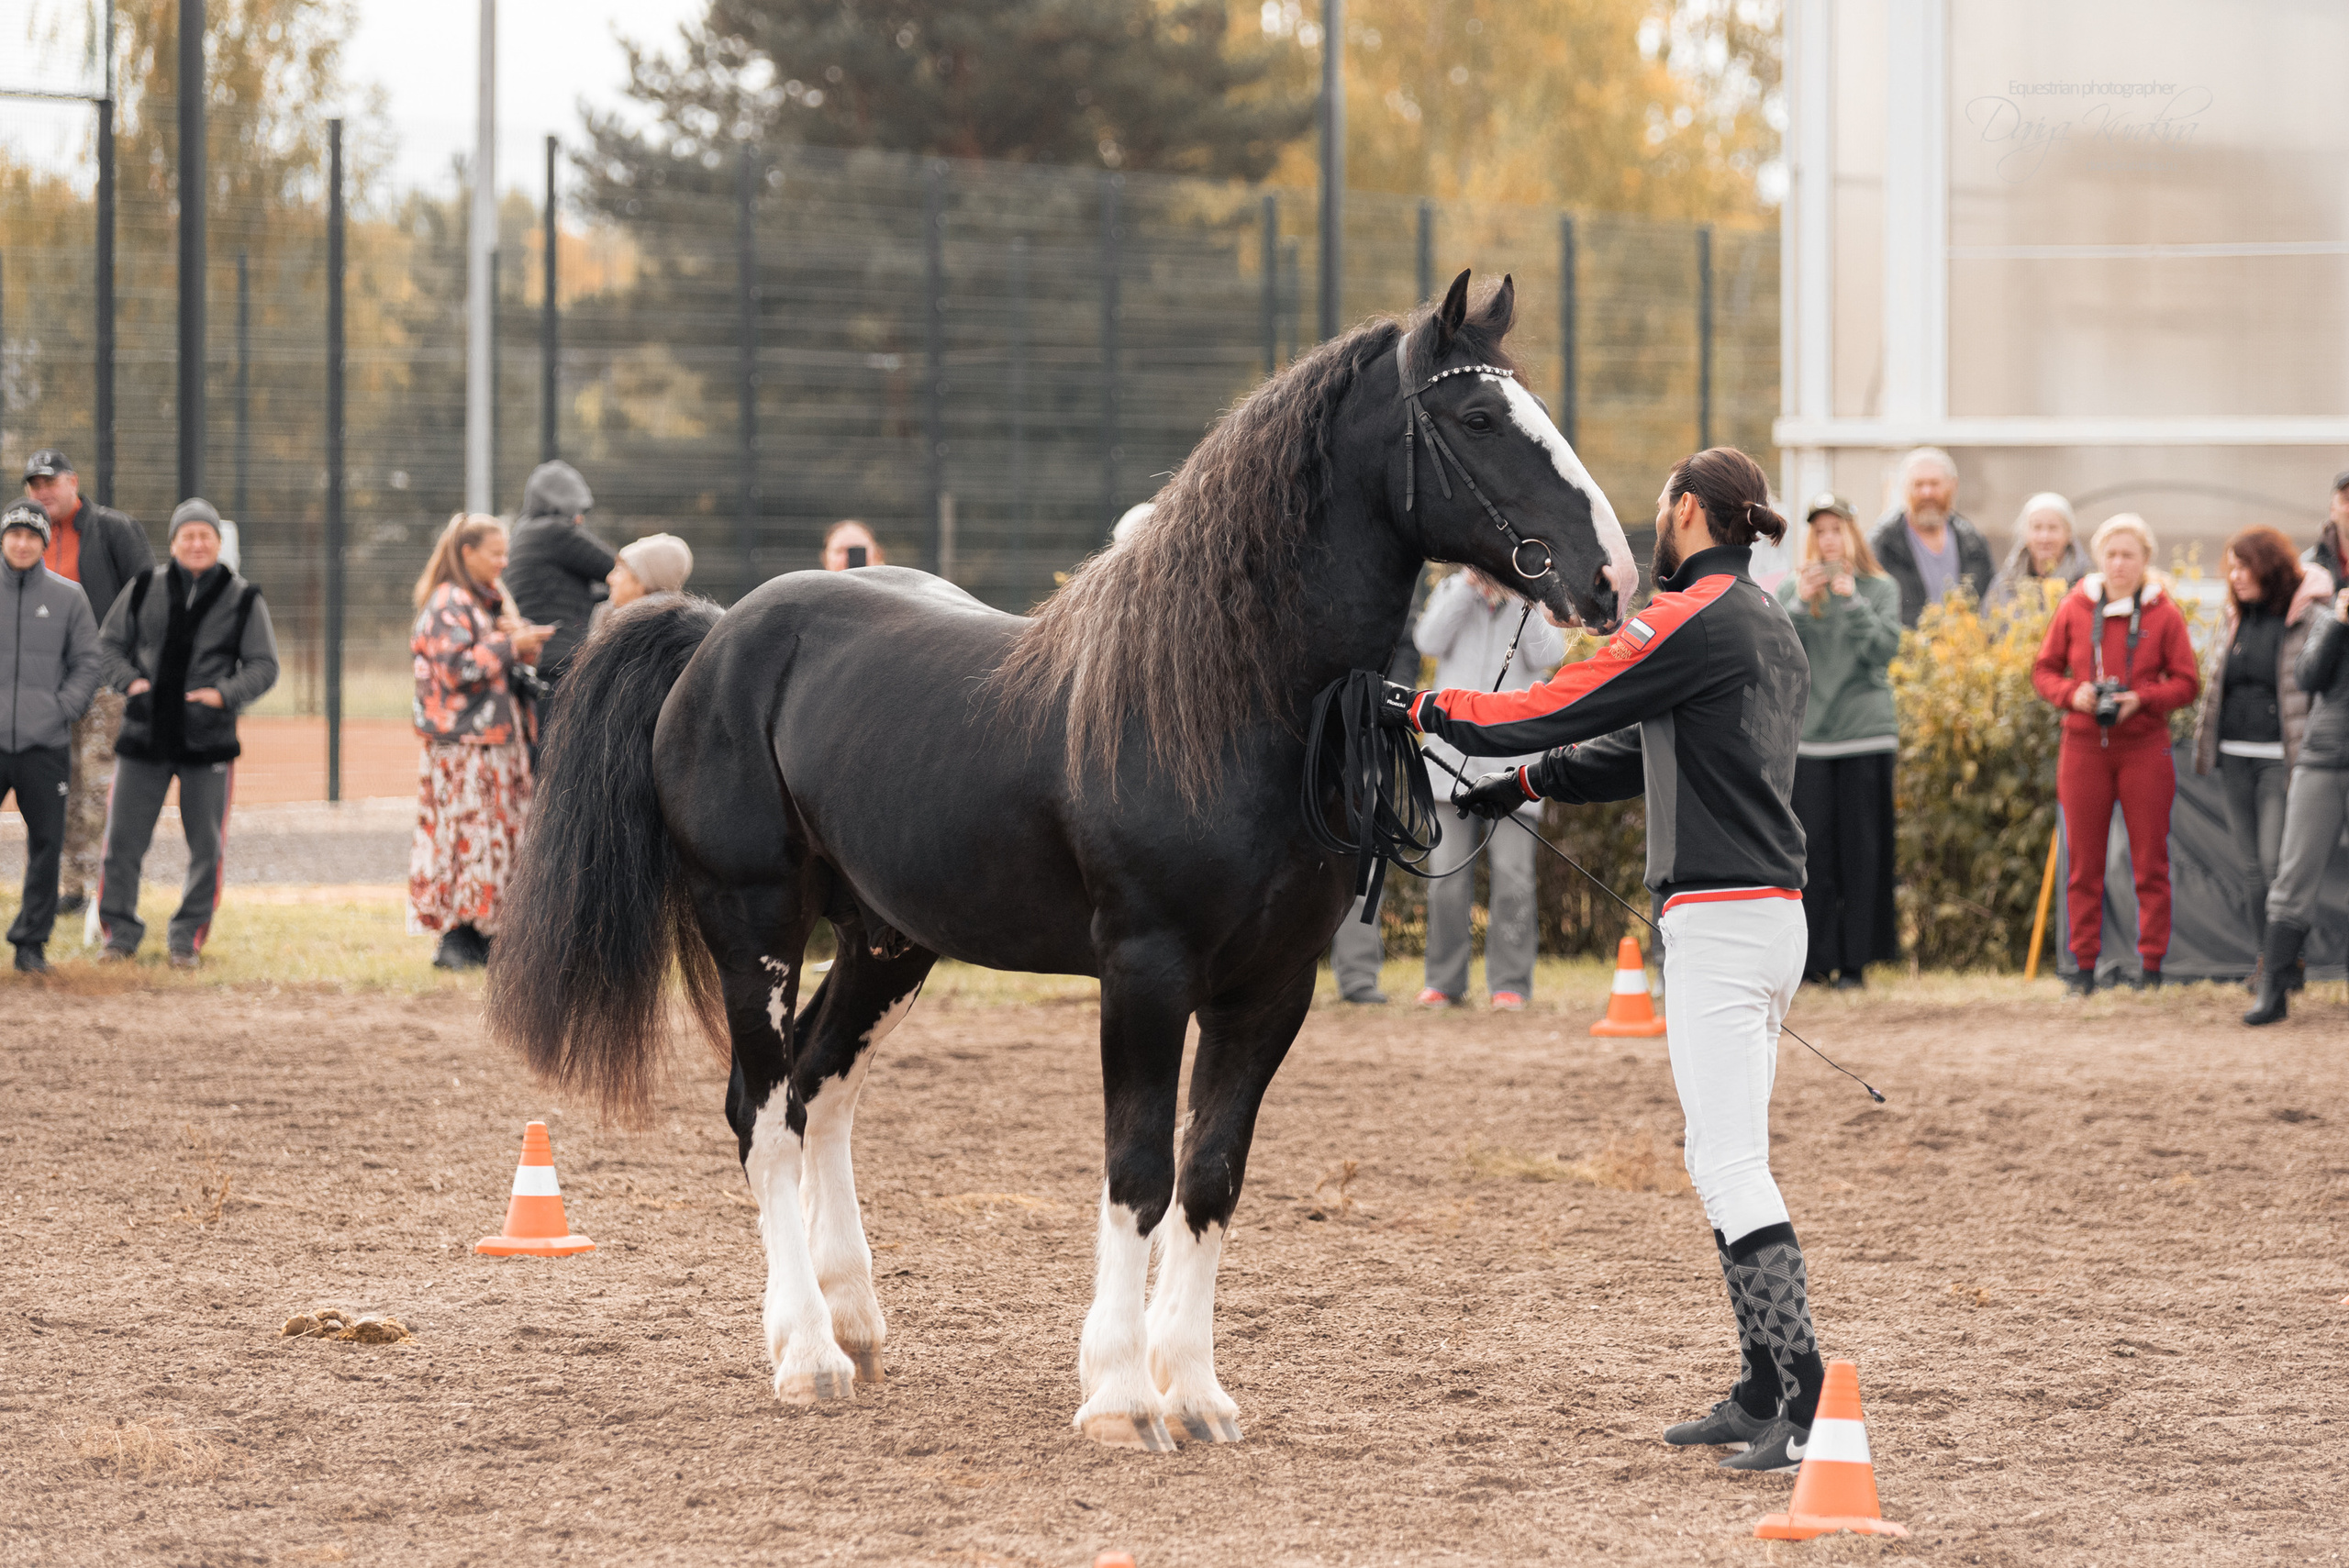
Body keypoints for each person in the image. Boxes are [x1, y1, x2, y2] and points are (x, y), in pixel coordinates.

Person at [1399, 448, 1826, 1474]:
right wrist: (1527, 784)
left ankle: (1806, 1401)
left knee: (1729, 1160)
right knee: (1717, 1155)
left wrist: (1423, 710)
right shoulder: (1765, 623)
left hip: (1722, 920)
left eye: (1658, 506)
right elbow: (1642, 750)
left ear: (1686, 510)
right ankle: (1762, 1386)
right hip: (1768, 916)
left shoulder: (1691, 615)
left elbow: (1567, 697)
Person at [94, 499, 280, 968]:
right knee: (121, 842)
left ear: (218, 543)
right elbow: (107, 645)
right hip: (143, 737)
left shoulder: (244, 598)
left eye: (206, 536)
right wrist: (131, 683)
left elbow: (264, 666)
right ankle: (118, 933)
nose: (197, 544)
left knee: (206, 847)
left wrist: (223, 694)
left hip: (208, 742)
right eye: (187, 536)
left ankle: (186, 938)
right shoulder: (141, 588)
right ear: (173, 542)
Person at [2029, 514, 2199, 995]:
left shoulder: (2164, 612)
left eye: (2129, 555)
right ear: (2099, 557)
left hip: (2145, 746)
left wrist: (2141, 699)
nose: (2119, 563)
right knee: (2084, 863)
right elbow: (2043, 671)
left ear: (2145, 560)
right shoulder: (2075, 606)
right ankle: (2083, 968)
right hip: (2083, 746)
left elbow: (2187, 682)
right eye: (2112, 554)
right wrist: (2072, 694)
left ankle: (2151, 967)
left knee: (2150, 863)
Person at [1410, 566, 1564, 1009]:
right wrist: (1468, 585)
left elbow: (1548, 654)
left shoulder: (1531, 600)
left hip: (1514, 767)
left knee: (1514, 879)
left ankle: (1510, 985)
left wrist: (1527, 595)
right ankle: (1443, 981)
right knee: (1446, 878)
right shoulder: (1452, 589)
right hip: (1448, 762)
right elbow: (1428, 641)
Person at [409, 514, 552, 971]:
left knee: (494, 834)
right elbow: (456, 670)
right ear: (467, 553)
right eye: (495, 553)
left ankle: (488, 932)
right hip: (464, 746)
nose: (504, 561)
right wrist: (512, 645)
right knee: (468, 835)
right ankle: (460, 934)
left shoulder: (484, 601)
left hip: (494, 742)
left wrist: (522, 645)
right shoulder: (448, 601)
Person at [2193, 527, 2333, 976]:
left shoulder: (2307, 617)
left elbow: (2316, 687)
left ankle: (2283, 962)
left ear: (2268, 568)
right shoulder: (2233, 619)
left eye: (2244, 566)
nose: (2235, 576)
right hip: (2234, 757)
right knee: (2252, 869)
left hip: (2281, 759)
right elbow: (2217, 687)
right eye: (2231, 567)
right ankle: (2267, 963)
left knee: (2276, 866)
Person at [1776, 495, 1901, 989]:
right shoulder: (1793, 589)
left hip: (1865, 737)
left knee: (1862, 852)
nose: (1829, 539)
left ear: (1853, 534)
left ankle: (1856, 963)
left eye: (1837, 529)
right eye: (1820, 531)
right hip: (1809, 740)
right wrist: (1801, 606)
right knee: (1813, 855)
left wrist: (1851, 601)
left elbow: (1883, 653)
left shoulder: (1880, 588)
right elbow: (1782, 657)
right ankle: (1813, 961)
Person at [22, 447, 153, 915]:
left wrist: (135, 669)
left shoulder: (112, 530)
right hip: (42, 687)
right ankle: (64, 888)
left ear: (73, 482)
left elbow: (148, 598)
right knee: (52, 786)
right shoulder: (24, 537)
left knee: (96, 787)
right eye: (35, 485)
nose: (44, 492)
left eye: (50, 482)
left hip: (103, 683)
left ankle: (97, 887)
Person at [1, 501, 104, 973]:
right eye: (13, 534)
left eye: (31, 536)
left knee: (45, 843)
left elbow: (88, 662)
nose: (22, 543)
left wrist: (62, 709)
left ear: (44, 542)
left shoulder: (69, 597)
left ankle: (30, 944)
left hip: (45, 744)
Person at [2247, 579, 2349, 1023]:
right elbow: (2307, 677)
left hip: (2325, 758)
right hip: (2322, 758)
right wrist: (2340, 624)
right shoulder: (2328, 619)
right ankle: (2274, 989)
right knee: (2293, 876)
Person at [503, 460, 610, 684]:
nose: (579, 518)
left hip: (533, 658)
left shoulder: (522, 532)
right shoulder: (555, 532)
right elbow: (619, 569)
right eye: (575, 510)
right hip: (558, 662)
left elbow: (556, 591)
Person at [1868, 447, 1995, 628]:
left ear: (1953, 486)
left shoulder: (1973, 542)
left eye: (1934, 484)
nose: (1927, 493)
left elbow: (1989, 605)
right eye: (1918, 484)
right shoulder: (1882, 544)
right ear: (1904, 488)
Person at [1982, 492, 2090, 617]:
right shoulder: (2003, 585)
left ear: (2068, 533)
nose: (2044, 537)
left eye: (2053, 528)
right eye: (2037, 527)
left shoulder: (2086, 585)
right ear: (2025, 533)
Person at [607, 533, 696, 609]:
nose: (609, 578)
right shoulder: (613, 620)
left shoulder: (636, 627)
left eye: (619, 570)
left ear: (642, 583)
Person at [822, 519, 886, 571]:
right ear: (825, 559)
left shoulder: (893, 586)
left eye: (858, 550)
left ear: (878, 555)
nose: (848, 557)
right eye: (840, 551)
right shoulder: (814, 586)